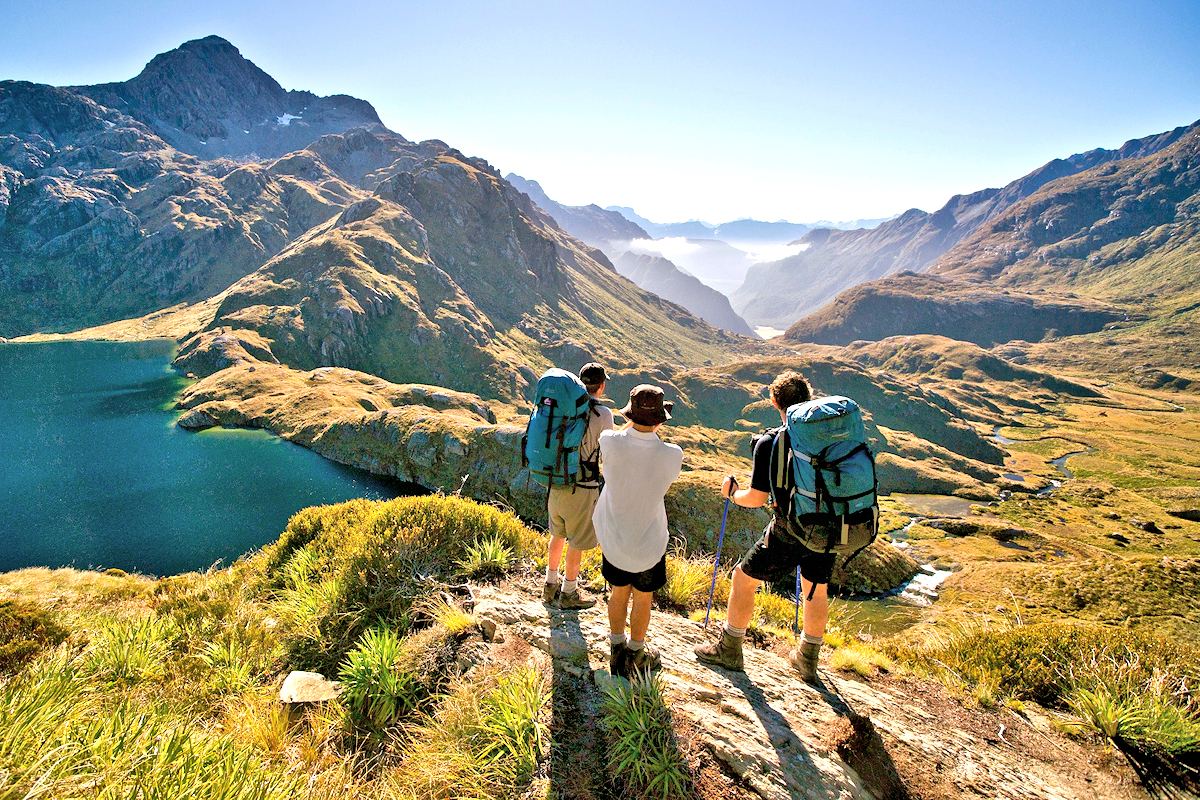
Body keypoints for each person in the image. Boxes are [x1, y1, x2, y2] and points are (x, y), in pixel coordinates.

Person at [694, 369, 829, 684]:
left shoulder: (771, 441)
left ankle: (730, 648)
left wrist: (731, 494)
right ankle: (807, 660)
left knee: (742, 579)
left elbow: (756, 498)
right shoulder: (826, 436)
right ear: (809, 399)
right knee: (815, 588)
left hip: (791, 528)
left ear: (774, 401)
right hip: (829, 526)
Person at [592, 384, 683, 678]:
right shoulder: (672, 454)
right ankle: (636, 652)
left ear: (630, 415)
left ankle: (616, 648)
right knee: (643, 598)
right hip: (649, 543)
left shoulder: (609, 442)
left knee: (618, 595)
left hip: (615, 539)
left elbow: (613, 435)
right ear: (660, 421)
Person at [542, 362, 615, 610]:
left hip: (556, 480)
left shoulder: (564, 407)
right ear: (602, 386)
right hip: (583, 485)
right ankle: (569, 592)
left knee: (557, 534)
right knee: (577, 540)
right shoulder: (603, 415)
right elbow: (608, 452)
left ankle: (549, 585)